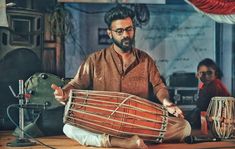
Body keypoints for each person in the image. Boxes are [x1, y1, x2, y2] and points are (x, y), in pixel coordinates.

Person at [51, 5, 191, 149]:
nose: (125, 35)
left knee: (184, 127)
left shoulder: (145, 60)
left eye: (129, 29)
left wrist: (167, 102)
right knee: (68, 128)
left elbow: (158, 86)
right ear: (110, 33)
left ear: (134, 29)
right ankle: (121, 142)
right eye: (119, 31)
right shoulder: (94, 60)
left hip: (139, 123)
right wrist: (64, 93)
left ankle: (127, 139)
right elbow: (76, 84)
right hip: (104, 123)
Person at [189, 58, 230, 128]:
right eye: (202, 73)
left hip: (220, 122)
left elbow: (206, 106)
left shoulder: (215, 84)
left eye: (209, 73)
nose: (206, 76)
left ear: (216, 74)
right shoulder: (204, 85)